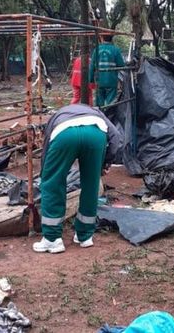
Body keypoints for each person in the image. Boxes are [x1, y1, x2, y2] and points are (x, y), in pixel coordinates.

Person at [33, 104, 122, 254]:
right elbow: (116, 137)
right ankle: (85, 236)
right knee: (91, 184)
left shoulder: (57, 116)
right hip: (96, 134)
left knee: (53, 183)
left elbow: (47, 146)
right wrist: (106, 162)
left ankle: (52, 239)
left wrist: (45, 173)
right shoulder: (96, 112)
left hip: (65, 134)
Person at [89, 34, 125, 107]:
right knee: (111, 102)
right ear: (111, 39)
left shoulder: (97, 49)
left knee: (99, 103)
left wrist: (91, 80)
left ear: (102, 38)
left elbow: (92, 66)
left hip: (99, 80)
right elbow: (121, 65)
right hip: (111, 80)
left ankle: (99, 115)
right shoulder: (115, 50)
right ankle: (109, 116)